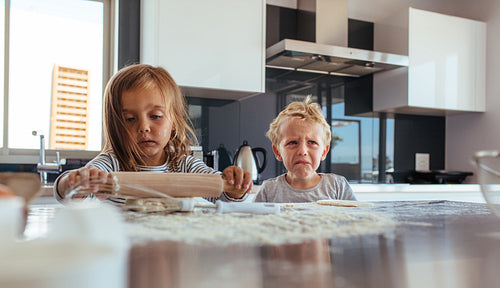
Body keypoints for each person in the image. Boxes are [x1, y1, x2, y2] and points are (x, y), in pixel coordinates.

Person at [54, 64, 252, 203]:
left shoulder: (184, 164)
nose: (143, 127)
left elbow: (221, 193)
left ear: (173, 121)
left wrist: (234, 185)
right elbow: (69, 193)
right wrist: (77, 182)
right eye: (130, 119)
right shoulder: (111, 164)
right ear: (116, 126)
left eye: (155, 116)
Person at [254, 96, 356, 203]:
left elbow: (357, 217)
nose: (302, 151)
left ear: (324, 152)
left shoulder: (337, 186)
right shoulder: (268, 190)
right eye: (292, 142)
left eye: (312, 142)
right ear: (277, 152)